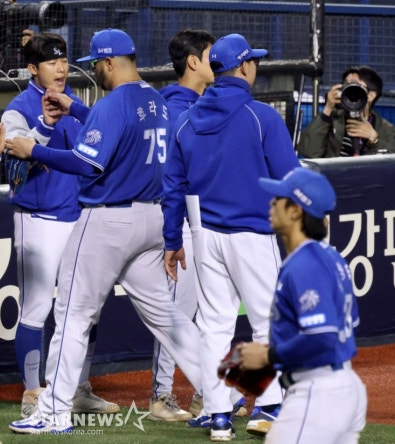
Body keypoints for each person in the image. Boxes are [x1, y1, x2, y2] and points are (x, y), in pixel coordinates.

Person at [5, 27, 208, 434]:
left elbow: (87, 163)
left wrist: (34, 150)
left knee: (72, 315)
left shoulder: (114, 102)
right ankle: (222, 395)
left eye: (97, 63)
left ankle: (54, 411)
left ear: (111, 62)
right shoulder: (157, 98)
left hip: (108, 219)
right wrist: (77, 109)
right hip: (151, 217)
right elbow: (122, 130)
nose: (93, 70)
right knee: (167, 317)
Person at [162, 33, 300, 441]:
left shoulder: (186, 119)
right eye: (252, 61)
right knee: (268, 323)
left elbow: (172, 186)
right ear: (243, 67)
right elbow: (291, 180)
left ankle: (219, 415)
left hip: (206, 237)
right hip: (252, 235)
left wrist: (173, 240)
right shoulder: (261, 116)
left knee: (214, 326)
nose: (255, 66)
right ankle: (270, 408)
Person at [1, 32, 118, 420]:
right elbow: (14, 168)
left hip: (77, 213)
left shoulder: (75, 103)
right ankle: (33, 392)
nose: (61, 68)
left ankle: (78, 387)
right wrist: (46, 127)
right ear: (33, 69)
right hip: (38, 218)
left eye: (64, 60)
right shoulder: (17, 109)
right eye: (52, 62)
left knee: (87, 308)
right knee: (36, 308)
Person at [238, 167, 368, 443]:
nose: (271, 204)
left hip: (317, 392)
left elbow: (321, 336)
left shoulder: (305, 265)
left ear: (296, 211)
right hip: (341, 385)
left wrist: (268, 356)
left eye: (279, 199)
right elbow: (346, 325)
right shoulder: (330, 257)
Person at [146, 28, 216, 423]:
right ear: (193, 62)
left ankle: (204, 395)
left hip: (198, 222)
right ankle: (161, 396)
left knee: (201, 313)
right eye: (209, 55)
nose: (215, 61)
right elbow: (171, 177)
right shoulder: (175, 108)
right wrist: (173, 231)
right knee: (176, 310)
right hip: (176, 221)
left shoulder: (192, 104)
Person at [296, 65, 395, 157]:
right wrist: (327, 109)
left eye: (354, 85)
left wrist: (374, 138)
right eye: (346, 84)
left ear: (371, 95)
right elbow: (309, 152)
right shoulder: (332, 119)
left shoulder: (384, 127)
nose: (349, 88)